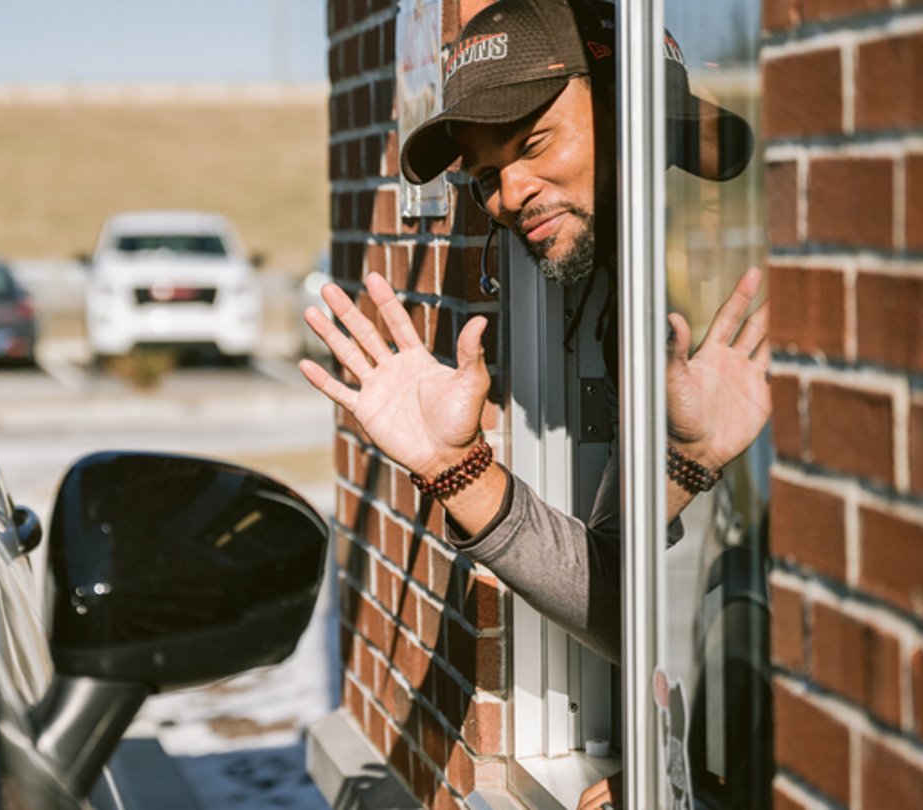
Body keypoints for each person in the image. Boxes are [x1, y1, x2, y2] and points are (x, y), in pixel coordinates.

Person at [301, 0, 769, 671]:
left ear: (628, 110)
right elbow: (624, 606)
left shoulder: (769, 274)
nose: (508, 194)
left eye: (533, 143)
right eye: (486, 177)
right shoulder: (638, 303)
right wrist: (453, 472)